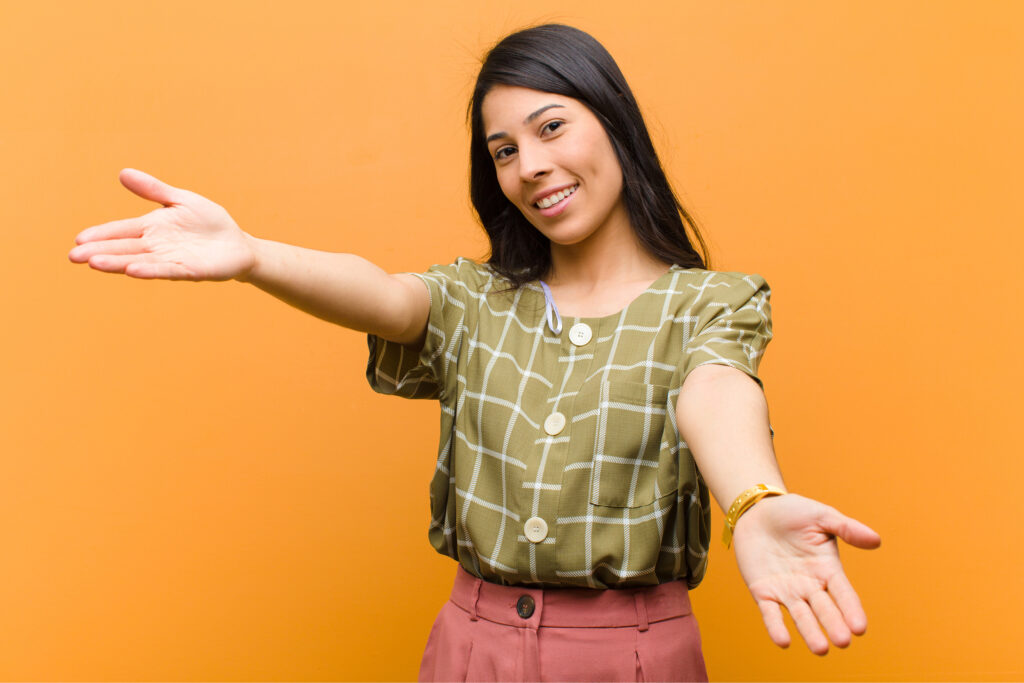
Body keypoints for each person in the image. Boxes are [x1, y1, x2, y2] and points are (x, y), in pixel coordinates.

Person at [69, 23, 880, 683]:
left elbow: (714, 392)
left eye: (551, 127)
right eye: (503, 151)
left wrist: (752, 499)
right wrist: (251, 254)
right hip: (470, 648)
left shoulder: (712, 302)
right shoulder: (473, 299)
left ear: (615, 122)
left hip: (631, 658)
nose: (531, 167)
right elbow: (384, 295)